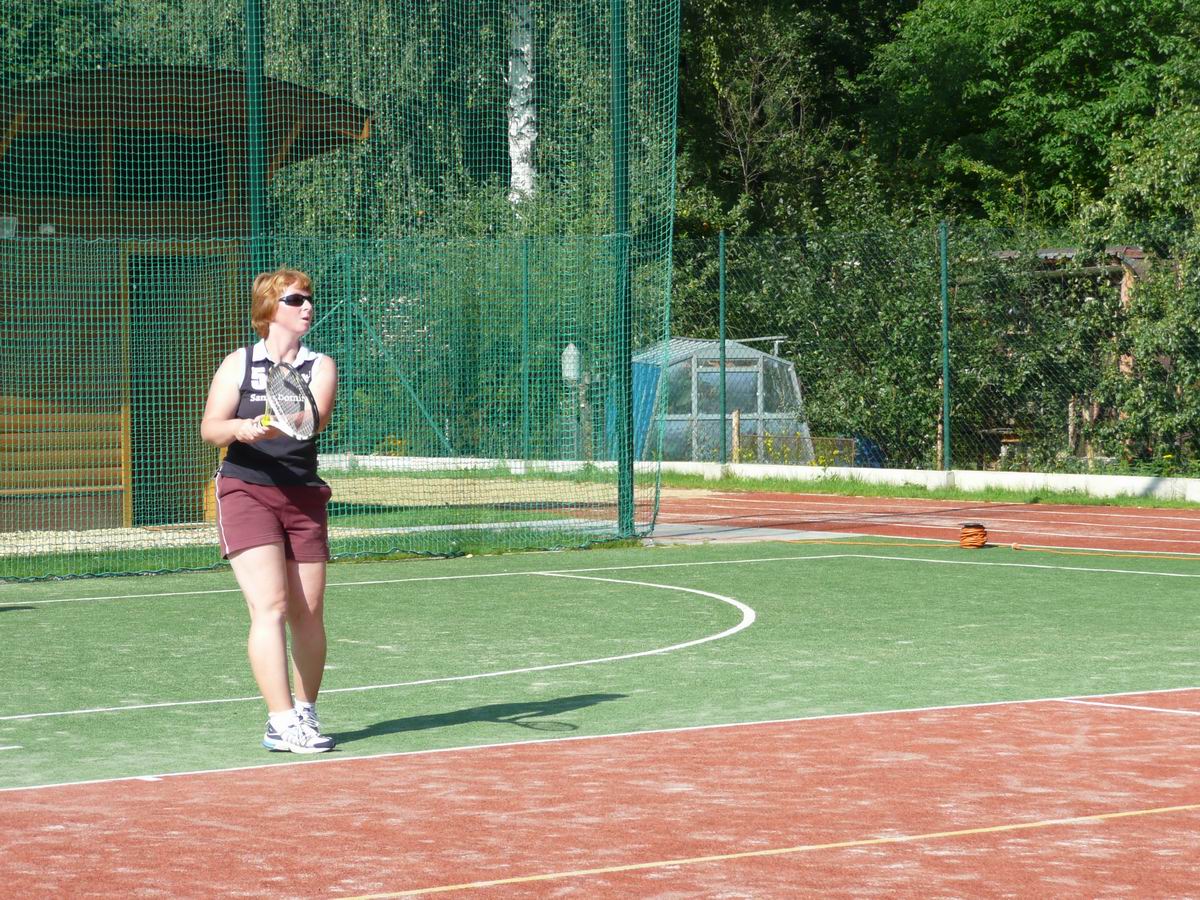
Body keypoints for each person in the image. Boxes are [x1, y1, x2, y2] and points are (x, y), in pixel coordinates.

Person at [201, 267, 338, 753]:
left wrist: (276, 422)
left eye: (309, 298)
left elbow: (312, 419)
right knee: (271, 607)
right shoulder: (238, 363)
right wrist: (240, 429)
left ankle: (305, 711)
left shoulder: (320, 365)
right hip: (246, 490)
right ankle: (281, 721)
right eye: (296, 300)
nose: (307, 306)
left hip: (303, 494)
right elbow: (211, 428)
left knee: (309, 612)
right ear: (270, 309)